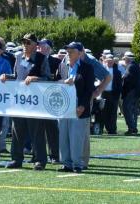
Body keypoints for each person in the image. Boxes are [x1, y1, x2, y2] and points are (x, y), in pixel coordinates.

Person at [1, 33, 50, 170]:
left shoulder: (41, 58)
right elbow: (17, 77)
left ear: (36, 45)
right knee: (17, 131)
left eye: (28, 43)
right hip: (19, 100)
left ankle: (40, 160)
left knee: (36, 132)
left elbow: (47, 78)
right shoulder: (18, 57)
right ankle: (16, 159)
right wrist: (6, 77)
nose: (25, 45)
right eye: (23, 42)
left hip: (35, 101)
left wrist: (35, 78)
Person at [57, 42, 95, 173]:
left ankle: (77, 164)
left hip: (79, 107)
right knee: (63, 136)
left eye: (71, 51)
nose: (68, 53)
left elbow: (89, 89)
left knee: (76, 137)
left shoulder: (87, 68)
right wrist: (63, 82)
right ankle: (66, 163)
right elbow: (55, 83)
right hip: (63, 107)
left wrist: (83, 105)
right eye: (67, 50)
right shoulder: (62, 66)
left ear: (80, 53)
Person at [37, 38, 61, 163]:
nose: (40, 48)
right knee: (36, 129)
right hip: (36, 99)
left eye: (42, 46)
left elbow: (58, 79)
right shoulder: (34, 59)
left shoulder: (56, 62)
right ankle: (37, 155)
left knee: (51, 129)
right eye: (39, 46)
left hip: (51, 99)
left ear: (48, 48)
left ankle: (54, 155)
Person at [100, 54, 122, 134]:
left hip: (113, 94)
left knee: (113, 113)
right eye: (108, 61)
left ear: (113, 62)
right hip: (103, 93)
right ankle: (101, 128)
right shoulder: (102, 70)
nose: (109, 62)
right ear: (105, 62)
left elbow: (119, 85)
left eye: (111, 61)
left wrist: (117, 95)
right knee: (103, 112)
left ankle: (112, 129)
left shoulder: (117, 72)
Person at [122, 51, 140, 135]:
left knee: (126, 109)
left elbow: (125, 78)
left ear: (127, 59)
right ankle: (134, 128)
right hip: (137, 92)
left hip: (131, 92)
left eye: (125, 58)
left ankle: (132, 128)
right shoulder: (137, 66)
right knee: (134, 110)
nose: (124, 60)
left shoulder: (131, 66)